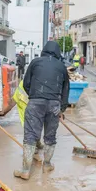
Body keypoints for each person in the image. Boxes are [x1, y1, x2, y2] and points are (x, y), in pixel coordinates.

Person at [14, 41, 69, 180]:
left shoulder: (35, 62)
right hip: (54, 105)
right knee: (50, 136)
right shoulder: (62, 67)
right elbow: (66, 90)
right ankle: (47, 164)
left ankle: (25, 170)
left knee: (30, 136)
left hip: (35, 103)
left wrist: (35, 96)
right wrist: (62, 108)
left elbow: (26, 83)